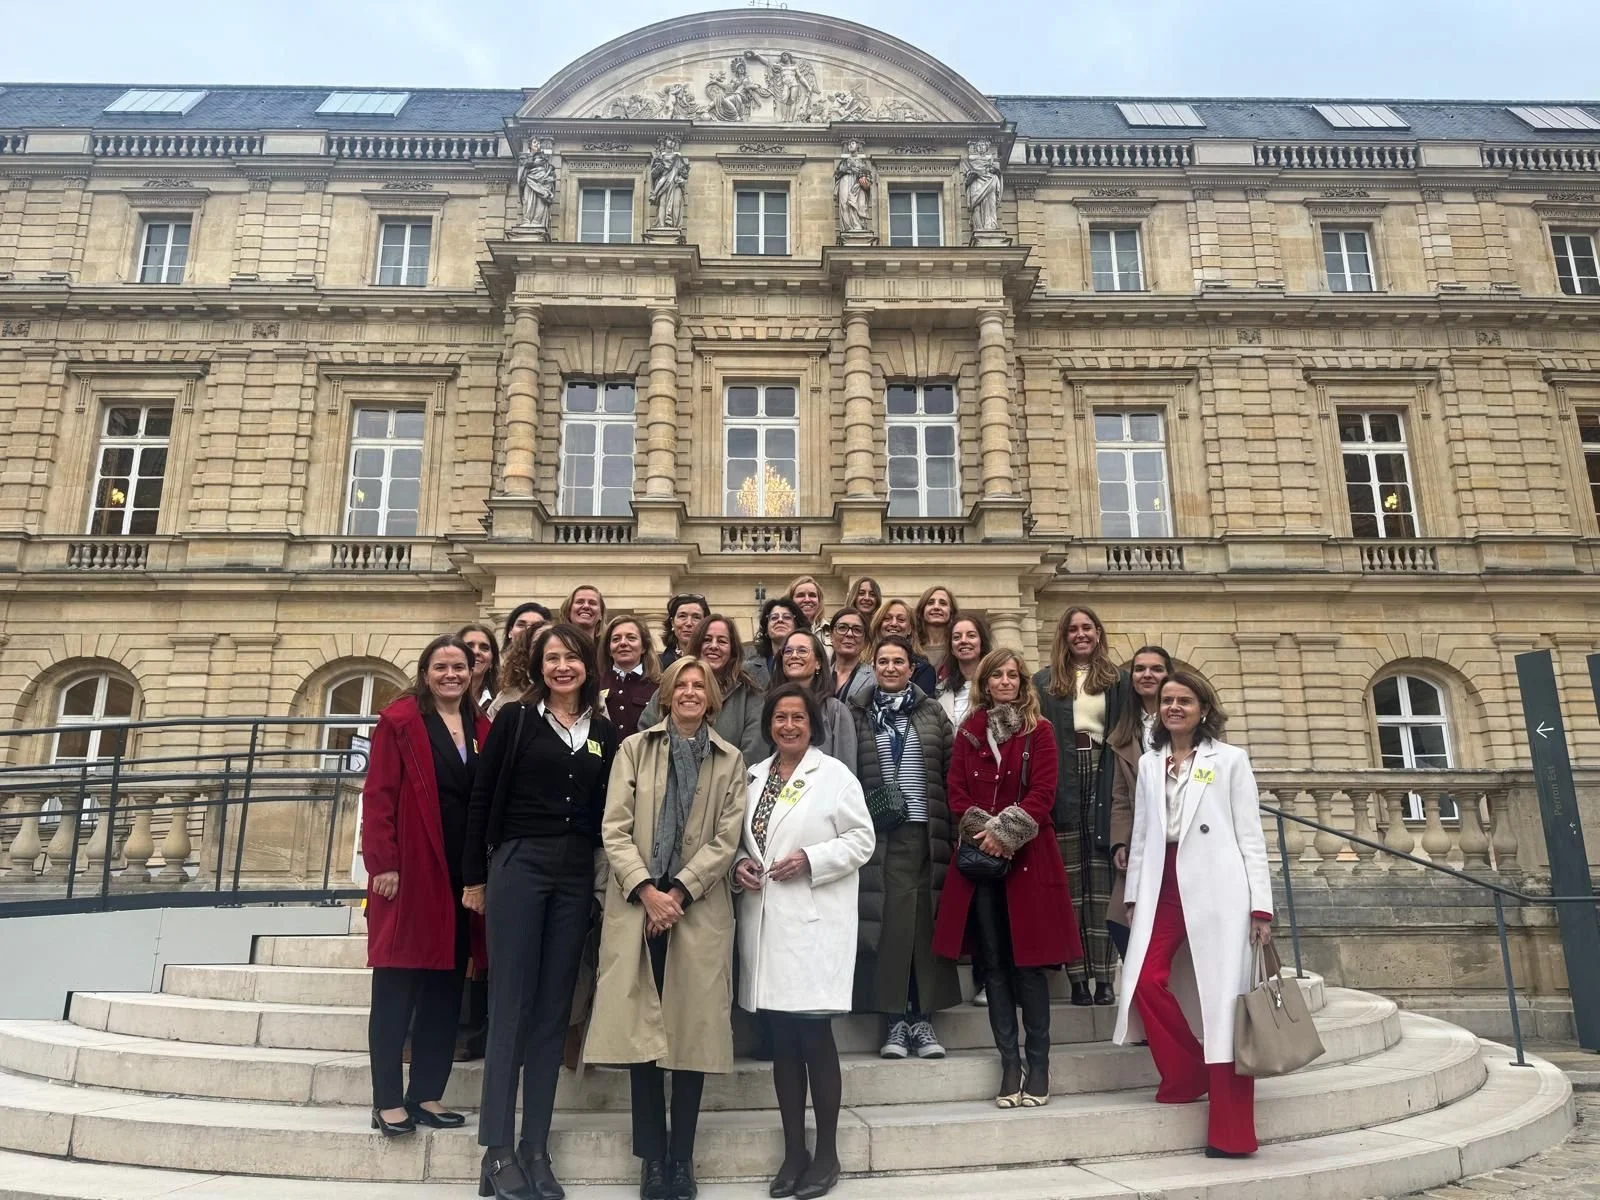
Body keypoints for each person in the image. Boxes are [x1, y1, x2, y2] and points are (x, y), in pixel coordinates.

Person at [463, 623, 620, 1200]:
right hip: (520, 863)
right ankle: (498, 1150)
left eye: (572, 657)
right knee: (511, 1005)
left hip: (575, 870)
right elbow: (483, 796)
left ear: (587, 666)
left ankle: (535, 1145)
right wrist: (474, 877)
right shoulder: (516, 720)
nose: (562, 667)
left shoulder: (603, 730)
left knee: (555, 1010)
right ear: (538, 666)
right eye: (552, 658)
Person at [585, 657, 748, 1200]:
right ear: (667, 693)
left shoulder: (730, 760)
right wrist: (648, 891)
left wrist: (677, 891)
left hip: (695, 908)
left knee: (690, 1036)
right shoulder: (634, 749)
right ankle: (653, 1160)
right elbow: (615, 827)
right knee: (643, 1038)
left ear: (712, 698)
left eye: (700, 686)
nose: (691, 692)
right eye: (682, 683)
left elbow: (726, 840)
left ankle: (683, 1158)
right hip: (639, 906)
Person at [1113, 672, 1274, 1159]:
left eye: (1184, 700)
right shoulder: (1149, 763)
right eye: (1167, 701)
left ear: (1203, 708)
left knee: (1225, 1007)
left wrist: (1260, 905)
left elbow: (1251, 835)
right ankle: (1186, 1073)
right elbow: (1142, 833)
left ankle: (1232, 1135)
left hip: (1220, 888)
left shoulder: (1229, 760)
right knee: (1143, 979)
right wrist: (1135, 893)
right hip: (1162, 884)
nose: (1174, 707)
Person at [734, 683, 875, 1200]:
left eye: (797, 718)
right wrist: (739, 867)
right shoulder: (752, 778)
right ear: (768, 725)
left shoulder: (834, 775)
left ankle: (828, 1154)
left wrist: (812, 860)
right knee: (783, 1045)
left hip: (815, 925)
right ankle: (794, 1152)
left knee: (814, 1039)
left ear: (812, 725)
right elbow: (738, 842)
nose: (788, 726)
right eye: (779, 718)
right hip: (768, 926)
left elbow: (862, 840)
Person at [933, 649, 1080, 1109]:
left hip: (1028, 859)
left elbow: (1043, 792)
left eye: (1012, 675)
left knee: (1029, 966)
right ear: (986, 682)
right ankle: (1009, 1065)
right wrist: (983, 833)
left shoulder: (1041, 731)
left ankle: (1038, 1065)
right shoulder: (970, 732)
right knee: (993, 964)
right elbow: (955, 790)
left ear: (1022, 683)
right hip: (981, 862)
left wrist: (1004, 834)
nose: (1005, 681)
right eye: (997, 674)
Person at [362, 635, 488, 1139]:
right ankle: (387, 1099)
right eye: (441, 666)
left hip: (462, 878)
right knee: (396, 988)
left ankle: (427, 1094)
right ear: (426, 672)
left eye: (460, 666)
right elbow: (378, 795)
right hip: (411, 871)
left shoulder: (483, 725)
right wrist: (383, 863)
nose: (452, 674)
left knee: (444, 990)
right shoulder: (400, 720)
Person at [849, 635, 961, 1059]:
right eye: (883, 662)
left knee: (926, 926)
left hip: (926, 833)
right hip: (879, 837)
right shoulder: (857, 713)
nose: (891, 668)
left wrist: (954, 831)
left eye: (899, 662)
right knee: (891, 929)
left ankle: (924, 1021)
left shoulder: (932, 712)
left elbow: (950, 772)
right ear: (873, 666)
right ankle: (895, 1022)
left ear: (912, 669)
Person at [1035, 605, 1130, 1008]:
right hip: (1063, 775)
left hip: (1104, 773)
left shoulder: (1117, 681)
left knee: (1102, 882)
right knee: (1070, 885)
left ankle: (1104, 978)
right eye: (1072, 629)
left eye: (1087, 627)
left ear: (1098, 632)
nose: (1080, 635)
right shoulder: (1044, 682)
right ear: (1063, 635)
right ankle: (1077, 978)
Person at [1107, 646, 1174, 959]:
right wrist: (1119, 842)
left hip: (1180, 834)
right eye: (1140, 669)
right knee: (1122, 921)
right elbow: (1120, 795)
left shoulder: (1180, 718)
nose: (1147, 675)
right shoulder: (1124, 730)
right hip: (1140, 838)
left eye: (1156, 669)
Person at [639, 615, 766, 765]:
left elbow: (754, 753)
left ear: (732, 650)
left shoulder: (750, 695)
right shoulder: (670, 686)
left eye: (722, 641)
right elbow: (647, 736)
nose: (713, 646)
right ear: (696, 645)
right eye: (706, 640)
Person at [772, 630, 857, 775]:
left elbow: (846, 772)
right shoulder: (767, 706)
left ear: (818, 663)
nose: (794, 656)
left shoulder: (836, 711)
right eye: (788, 651)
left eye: (802, 651)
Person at [601, 614, 661, 738]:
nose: (623, 643)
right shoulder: (595, 684)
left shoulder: (659, 685)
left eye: (631, 638)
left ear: (644, 647)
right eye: (616, 639)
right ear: (608, 649)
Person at [868, 600, 937, 696]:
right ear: (879, 625)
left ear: (910, 629)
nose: (894, 623)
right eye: (887, 618)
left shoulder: (922, 669)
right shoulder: (863, 662)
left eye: (901, 620)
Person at [938, 613, 992, 730]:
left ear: (982, 643)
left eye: (971, 636)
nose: (963, 641)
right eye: (957, 637)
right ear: (951, 648)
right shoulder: (941, 691)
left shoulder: (995, 685)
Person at [827, 608, 875, 706]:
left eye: (857, 630)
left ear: (865, 641)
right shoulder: (817, 676)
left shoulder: (875, 679)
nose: (849, 634)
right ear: (831, 636)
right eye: (842, 628)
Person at [912, 587, 959, 684]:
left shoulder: (958, 647)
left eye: (943, 603)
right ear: (922, 611)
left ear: (951, 612)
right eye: (930, 603)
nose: (936, 607)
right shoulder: (911, 648)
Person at [752, 596, 803, 681]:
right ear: (766, 629)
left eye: (787, 617)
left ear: (797, 626)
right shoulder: (749, 668)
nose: (780, 620)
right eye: (774, 617)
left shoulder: (809, 663)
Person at [659, 593, 708, 670]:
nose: (689, 623)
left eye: (696, 617)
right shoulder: (656, 665)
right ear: (672, 623)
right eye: (682, 616)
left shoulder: (714, 661)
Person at [458, 623, 500, 709]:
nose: (476, 652)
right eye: (469, 646)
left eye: (484, 648)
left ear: (492, 661)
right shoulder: (439, 699)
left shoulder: (500, 702)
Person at [786, 574, 831, 647]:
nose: (807, 600)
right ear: (791, 601)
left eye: (812, 595)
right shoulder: (783, 630)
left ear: (819, 601)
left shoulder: (832, 630)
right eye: (800, 595)